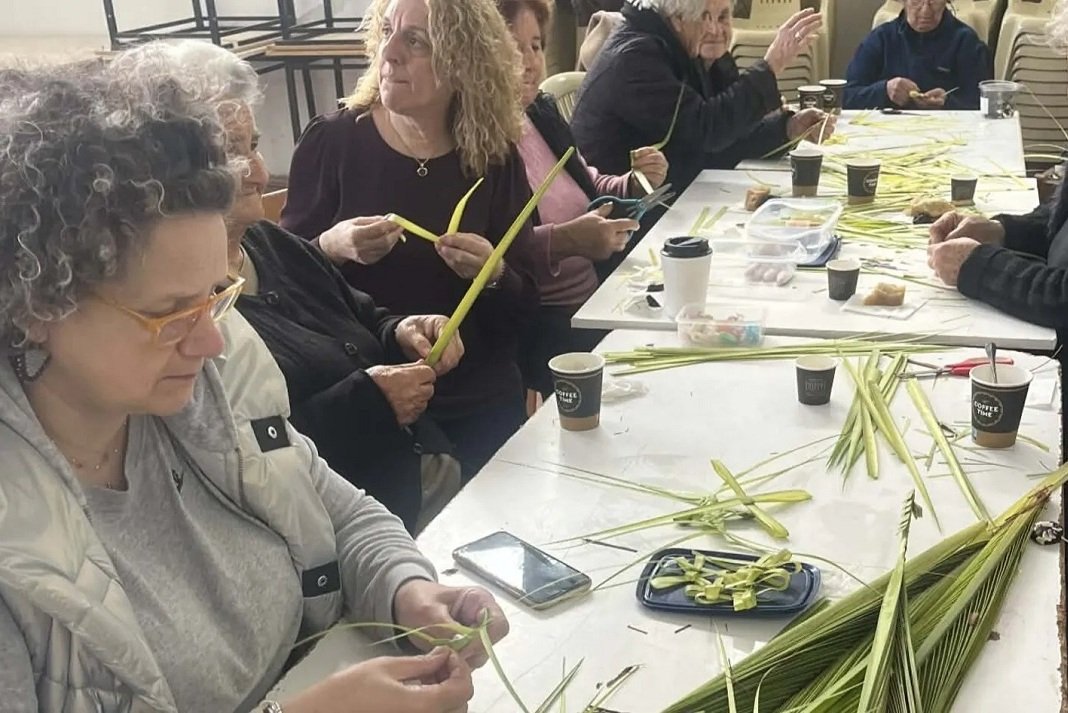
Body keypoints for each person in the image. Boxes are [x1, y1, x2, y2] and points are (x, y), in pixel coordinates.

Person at [0, 54, 506, 713]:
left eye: (215, 295)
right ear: (37, 306)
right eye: (165, 313)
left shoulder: (207, 376)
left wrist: (407, 588)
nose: (210, 339)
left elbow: (334, 507)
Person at [124, 41, 463, 534]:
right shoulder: (187, 315)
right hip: (367, 526)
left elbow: (361, 314)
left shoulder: (271, 243)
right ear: (171, 176)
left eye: (254, 146)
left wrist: (404, 330)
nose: (261, 174)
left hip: (427, 481)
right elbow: (242, 456)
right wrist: (367, 404)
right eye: (231, 155)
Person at [282, 0, 541, 479]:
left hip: (480, 397)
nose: (390, 52)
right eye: (386, 32)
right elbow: (280, 292)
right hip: (378, 403)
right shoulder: (333, 142)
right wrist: (330, 247)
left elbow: (526, 304)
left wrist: (494, 274)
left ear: (464, 61)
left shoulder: (494, 156)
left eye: (415, 41)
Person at [499, 0, 669, 394]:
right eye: (513, 48)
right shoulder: (479, 138)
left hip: (598, 300)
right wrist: (566, 241)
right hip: (550, 328)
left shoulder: (537, 112)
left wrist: (633, 182)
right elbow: (498, 249)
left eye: (536, 46)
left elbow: (587, 184)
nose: (529, 62)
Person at [570, 0, 834, 193]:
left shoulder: (676, 45)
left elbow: (722, 137)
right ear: (677, 18)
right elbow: (706, 131)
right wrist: (771, 65)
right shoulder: (636, 57)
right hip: (618, 216)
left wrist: (787, 128)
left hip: (673, 194)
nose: (712, 29)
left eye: (720, 16)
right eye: (704, 16)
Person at [844, 0, 993, 111]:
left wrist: (947, 102)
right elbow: (847, 96)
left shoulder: (965, 42)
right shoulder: (882, 38)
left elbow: (983, 102)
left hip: (947, 131)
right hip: (887, 132)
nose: (925, 11)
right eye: (916, 1)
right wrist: (884, 90)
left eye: (933, 2)